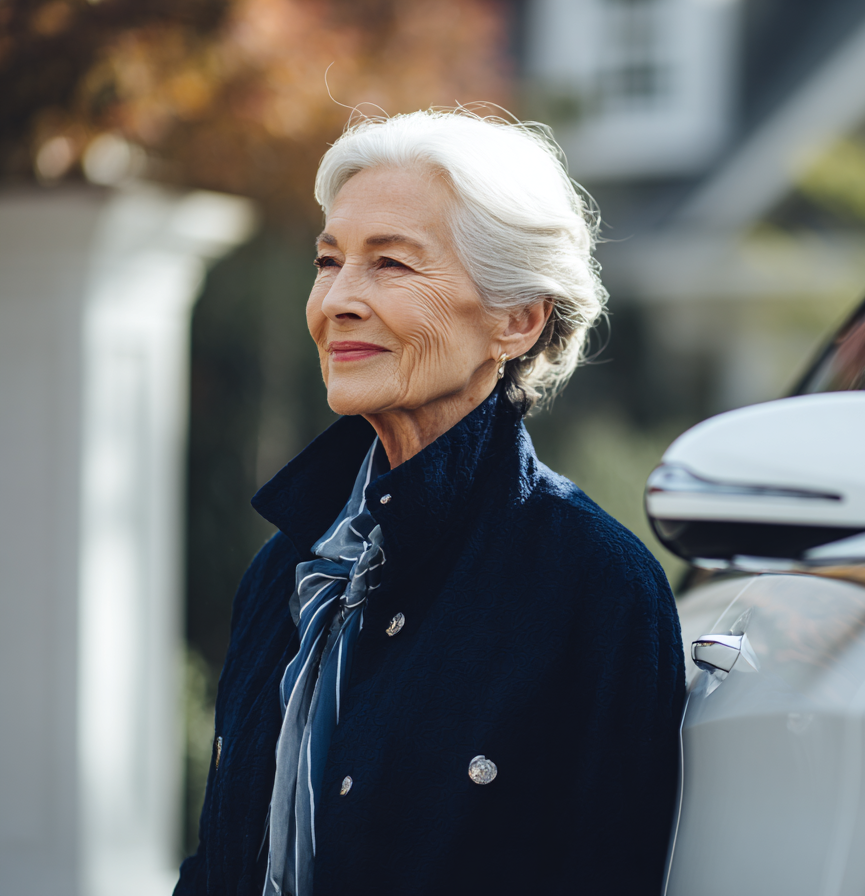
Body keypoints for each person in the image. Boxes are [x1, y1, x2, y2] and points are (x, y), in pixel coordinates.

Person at [174, 109, 685, 896]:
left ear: (517, 320)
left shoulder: (596, 590)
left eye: (391, 266)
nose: (337, 300)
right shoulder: (286, 571)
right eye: (328, 261)